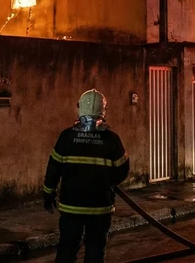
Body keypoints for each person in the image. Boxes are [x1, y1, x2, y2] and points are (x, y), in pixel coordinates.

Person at [43, 89, 129, 263]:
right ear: (103, 111)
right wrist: (106, 181)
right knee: (95, 252)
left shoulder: (66, 137)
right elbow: (122, 171)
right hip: (100, 207)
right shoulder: (112, 139)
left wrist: (48, 193)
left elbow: (53, 168)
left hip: (71, 207)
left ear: (80, 108)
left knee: (67, 250)